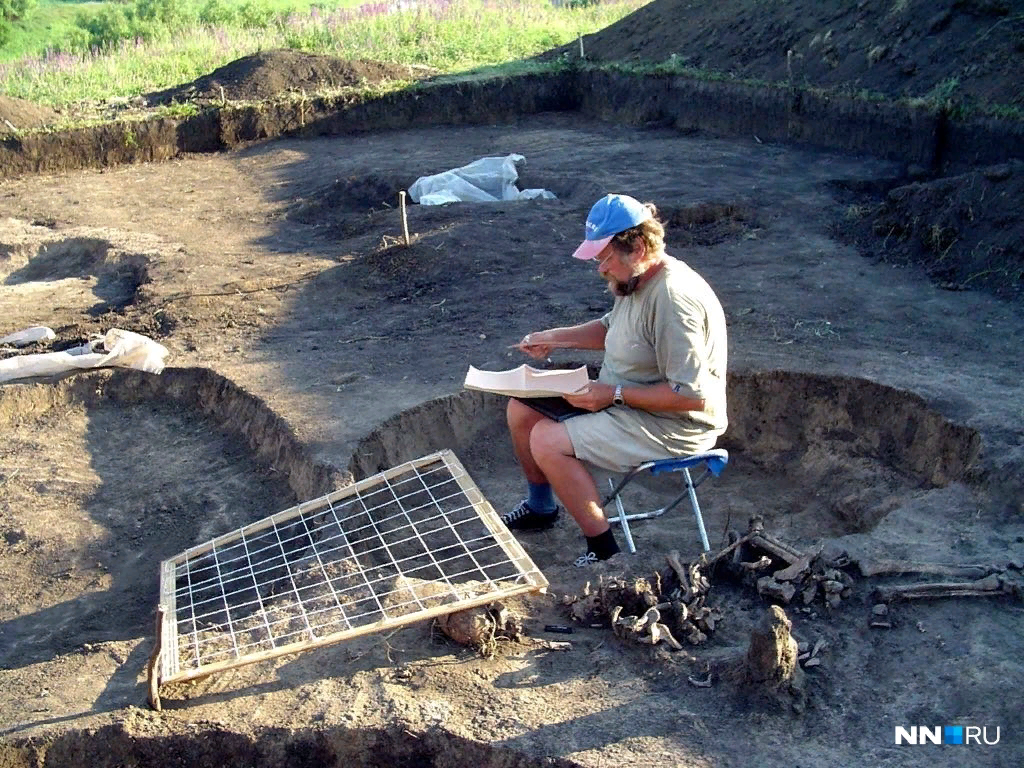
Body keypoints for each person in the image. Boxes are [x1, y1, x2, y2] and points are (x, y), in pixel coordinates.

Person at [502, 193, 728, 567]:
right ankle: (541, 508)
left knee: (547, 439)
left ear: (637, 247)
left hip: (672, 425)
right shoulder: (637, 279)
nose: (600, 269)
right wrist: (554, 338)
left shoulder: (673, 300)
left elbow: (692, 397)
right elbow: (612, 330)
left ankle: (604, 551)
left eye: (604, 258)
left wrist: (614, 395)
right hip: (623, 401)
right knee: (521, 408)